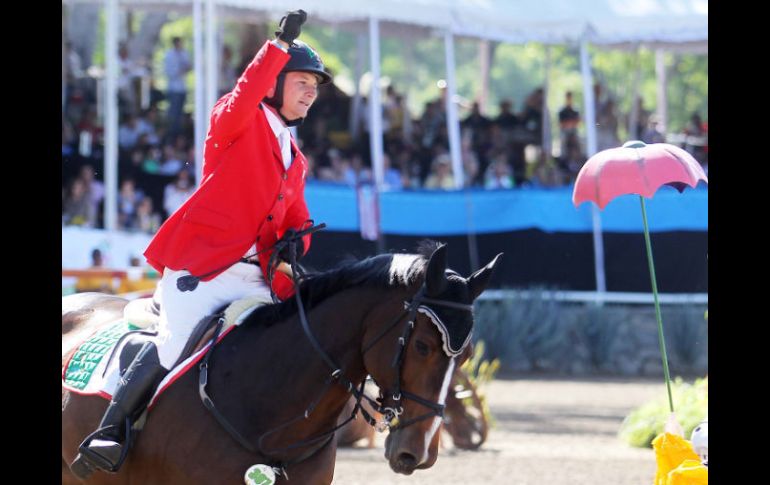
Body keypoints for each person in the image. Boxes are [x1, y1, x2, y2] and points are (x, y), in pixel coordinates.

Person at [72, 9, 331, 478]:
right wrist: (276, 48)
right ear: (274, 83)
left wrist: (297, 245)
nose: (312, 90)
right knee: (172, 347)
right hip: (204, 272)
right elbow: (246, 93)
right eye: (302, 81)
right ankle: (111, 433)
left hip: (256, 280)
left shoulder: (296, 158)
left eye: (316, 84)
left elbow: (297, 219)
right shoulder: (236, 121)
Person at [163, 37, 192, 141]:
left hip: (182, 88)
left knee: (180, 114)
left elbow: (188, 66)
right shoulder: (169, 55)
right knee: (173, 114)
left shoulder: (184, 54)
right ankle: (172, 135)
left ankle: (179, 135)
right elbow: (170, 72)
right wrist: (181, 70)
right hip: (173, 89)